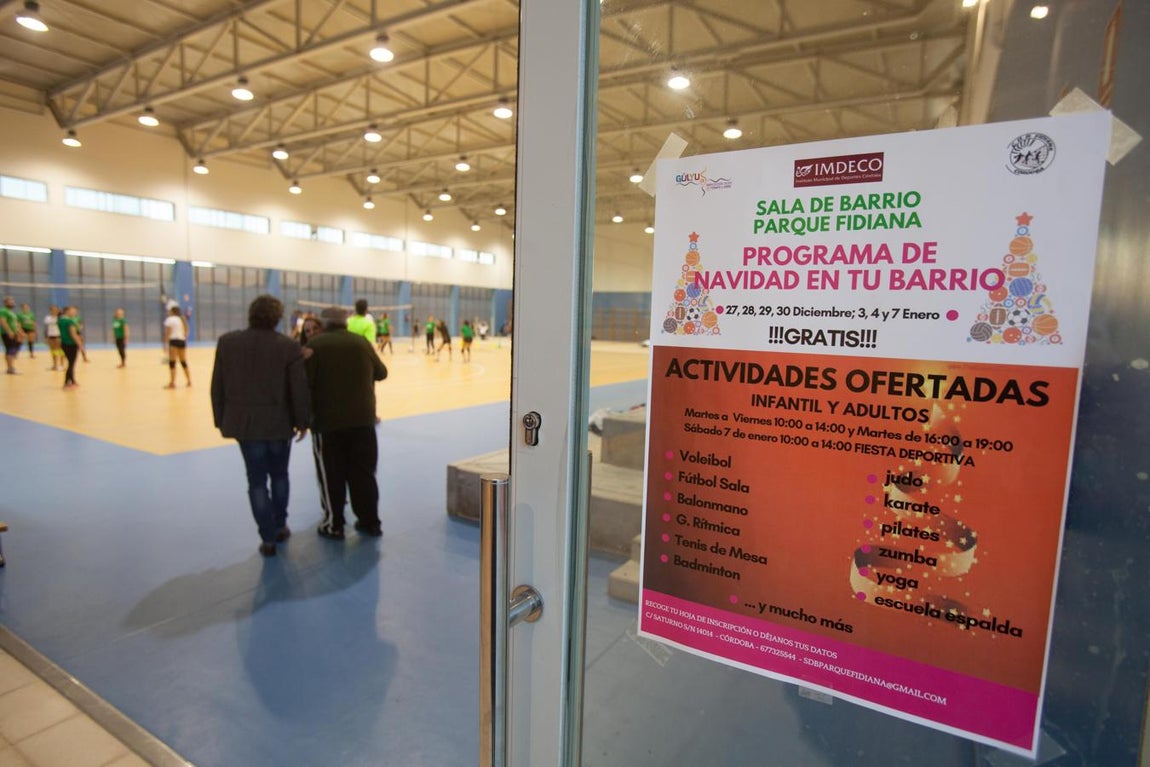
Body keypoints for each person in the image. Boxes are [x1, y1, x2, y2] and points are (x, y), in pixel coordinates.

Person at [211, 295, 311, 557]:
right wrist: (303, 421)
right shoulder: (288, 347)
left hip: (245, 427)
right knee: (280, 476)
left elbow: (217, 385)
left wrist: (221, 419)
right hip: (279, 426)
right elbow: (297, 389)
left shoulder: (227, 343)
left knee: (256, 482)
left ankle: (267, 539)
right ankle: (279, 525)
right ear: (277, 318)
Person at [305, 306, 387, 540]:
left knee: (331, 475)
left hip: (327, 423)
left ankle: (334, 524)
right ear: (346, 322)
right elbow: (381, 373)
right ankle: (370, 522)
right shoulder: (361, 342)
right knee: (364, 474)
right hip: (363, 421)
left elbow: (303, 383)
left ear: (324, 323)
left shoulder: (315, 346)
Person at [163, 305, 191, 388]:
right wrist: (183, 337)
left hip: (174, 341)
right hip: (182, 341)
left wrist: (165, 344)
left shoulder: (170, 319)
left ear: (172, 312)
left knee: (172, 362)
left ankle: (172, 382)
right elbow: (186, 331)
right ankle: (189, 381)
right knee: (183, 361)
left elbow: (168, 332)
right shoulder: (182, 319)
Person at [58, 306, 85, 388]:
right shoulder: (69, 321)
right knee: (71, 364)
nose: (75, 313)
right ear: (67, 311)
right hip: (71, 344)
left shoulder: (60, 320)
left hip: (64, 343)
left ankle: (72, 380)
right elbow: (73, 334)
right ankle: (67, 382)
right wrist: (80, 344)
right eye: (73, 311)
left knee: (70, 363)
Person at [0, 296, 22, 374]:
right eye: (10, 301)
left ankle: (10, 367)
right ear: (6, 302)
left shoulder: (12, 312)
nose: (12, 302)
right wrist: (9, 331)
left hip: (14, 333)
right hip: (7, 333)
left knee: (12, 349)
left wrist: (19, 332)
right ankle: (10, 368)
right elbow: (2, 321)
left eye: (13, 301)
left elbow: (14, 324)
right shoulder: (3, 311)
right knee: (10, 349)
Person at [43, 305, 62, 371]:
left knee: (60, 350)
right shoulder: (48, 318)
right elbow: (46, 328)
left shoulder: (60, 318)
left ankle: (61, 364)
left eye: (55, 309)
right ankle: (54, 364)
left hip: (58, 336)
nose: (54, 311)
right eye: (52, 309)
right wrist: (46, 337)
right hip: (51, 336)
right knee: (53, 351)